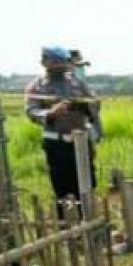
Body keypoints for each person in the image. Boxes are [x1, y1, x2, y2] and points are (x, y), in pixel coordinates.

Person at [25, 46, 101, 217]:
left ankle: (87, 222)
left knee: (86, 184)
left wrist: (85, 105)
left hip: (80, 142)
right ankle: (66, 227)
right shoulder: (36, 86)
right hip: (56, 143)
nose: (60, 66)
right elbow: (31, 111)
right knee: (62, 188)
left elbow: (94, 105)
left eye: (63, 62)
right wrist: (51, 113)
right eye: (55, 62)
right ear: (45, 62)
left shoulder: (77, 83)